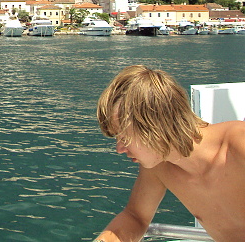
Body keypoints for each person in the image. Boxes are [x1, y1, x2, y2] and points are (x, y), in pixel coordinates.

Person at [93, 65, 245, 242]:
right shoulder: (159, 166)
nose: (119, 149)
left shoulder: (239, 146)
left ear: (155, 127)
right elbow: (135, 217)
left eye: (124, 138)